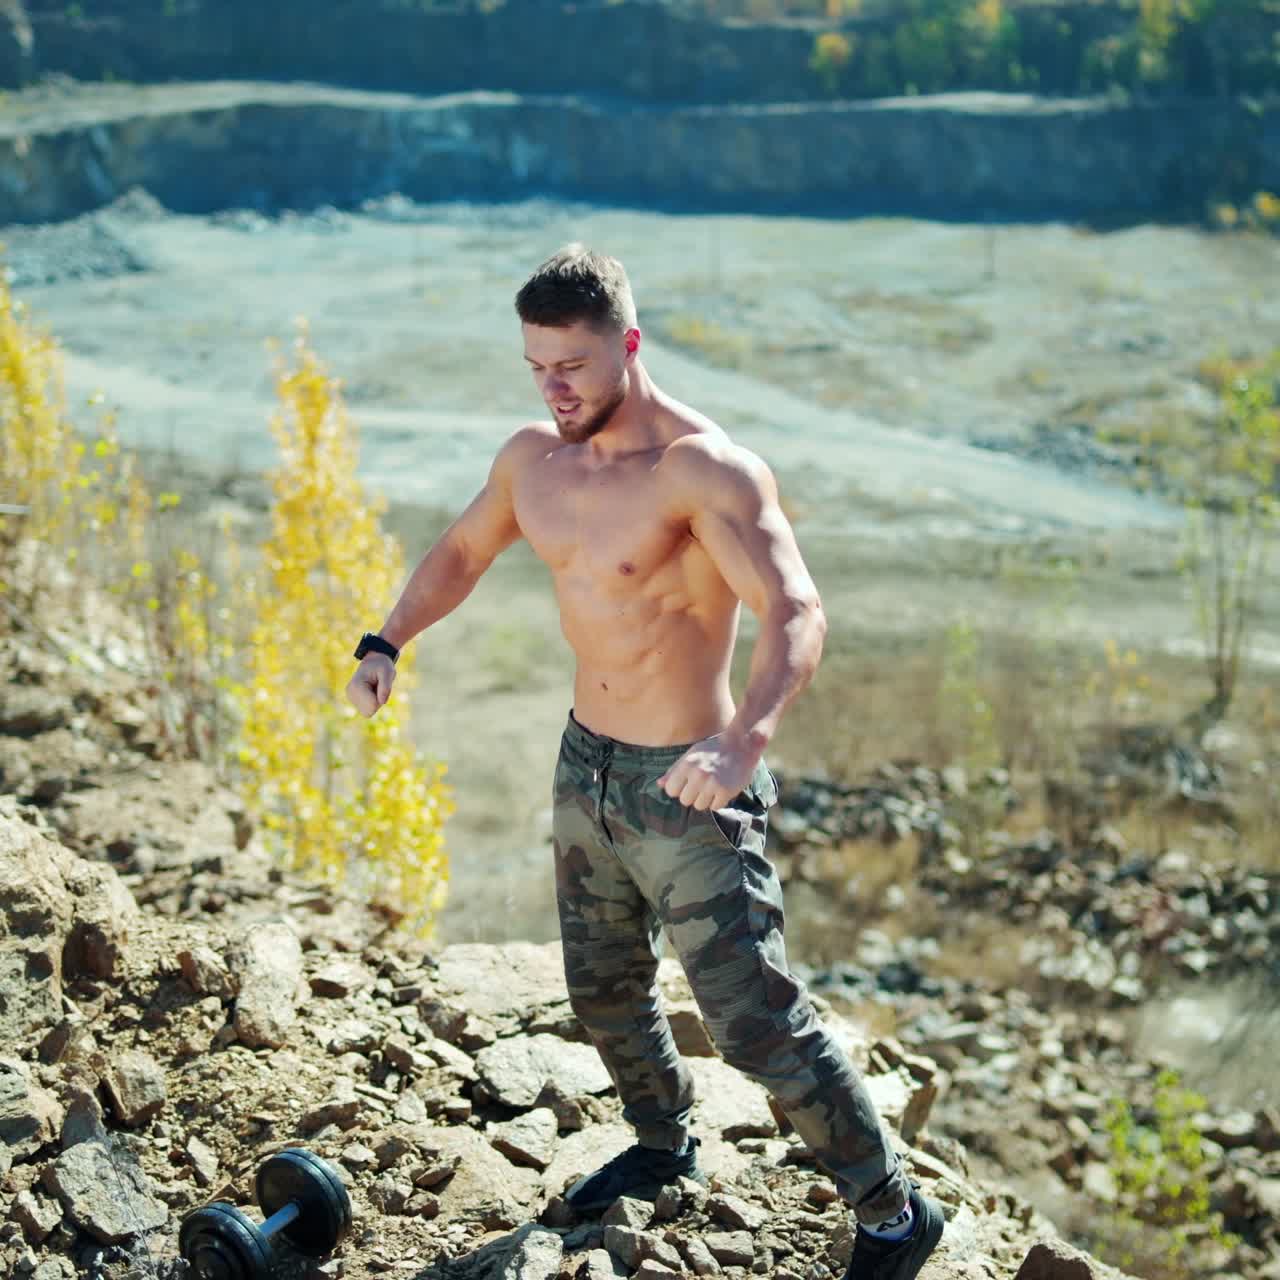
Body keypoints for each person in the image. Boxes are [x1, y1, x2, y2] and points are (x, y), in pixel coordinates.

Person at [347, 245, 944, 1278]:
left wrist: (743, 734)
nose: (554, 385)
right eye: (536, 364)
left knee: (753, 1022)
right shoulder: (533, 457)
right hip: (587, 768)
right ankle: (664, 1142)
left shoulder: (700, 469)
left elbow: (795, 611)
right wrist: (385, 640)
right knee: (604, 991)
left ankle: (892, 1212)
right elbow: (460, 551)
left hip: (689, 784)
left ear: (627, 343)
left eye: (572, 363)